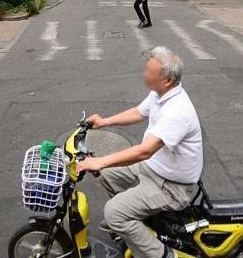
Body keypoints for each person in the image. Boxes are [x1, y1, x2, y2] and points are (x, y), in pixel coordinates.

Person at [78, 47, 203, 258]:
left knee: (113, 213)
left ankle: (161, 254)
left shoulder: (177, 111)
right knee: (108, 174)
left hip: (171, 187)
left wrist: (99, 161)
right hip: (154, 169)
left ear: (167, 80)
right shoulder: (159, 94)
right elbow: (138, 112)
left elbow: (145, 151)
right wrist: (104, 122)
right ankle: (133, 225)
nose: (144, 75)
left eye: (149, 72)